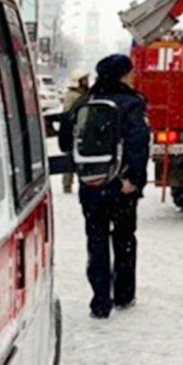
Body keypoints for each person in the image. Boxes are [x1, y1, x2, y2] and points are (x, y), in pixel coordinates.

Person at [60, 53, 150, 320]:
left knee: (96, 241)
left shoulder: (85, 102)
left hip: (91, 184)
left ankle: (100, 301)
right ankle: (124, 294)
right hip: (120, 185)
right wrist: (133, 180)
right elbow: (138, 144)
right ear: (123, 75)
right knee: (123, 239)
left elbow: (66, 141)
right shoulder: (131, 104)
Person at [59, 74, 90, 194]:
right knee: (70, 158)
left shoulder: (84, 94)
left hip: (84, 129)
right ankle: (67, 184)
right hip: (74, 130)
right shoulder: (72, 96)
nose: (86, 81)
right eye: (84, 79)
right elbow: (67, 114)